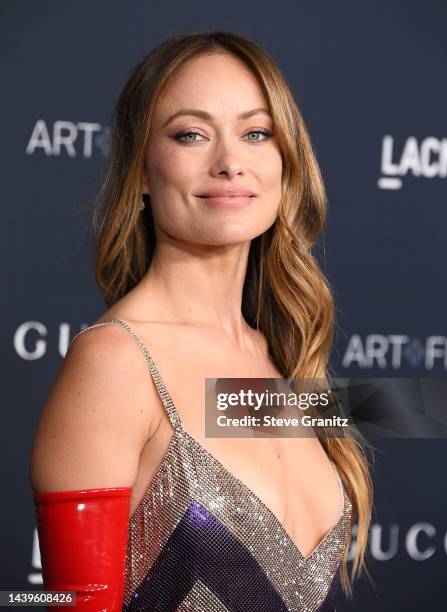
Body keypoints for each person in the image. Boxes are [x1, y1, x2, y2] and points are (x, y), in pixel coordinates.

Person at [30, 31, 373, 611]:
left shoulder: (282, 355)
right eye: (191, 135)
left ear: (286, 162)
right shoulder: (115, 362)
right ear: (139, 169)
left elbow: (426, 407)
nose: (230, 163)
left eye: (256, 133)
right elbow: (73, 604)